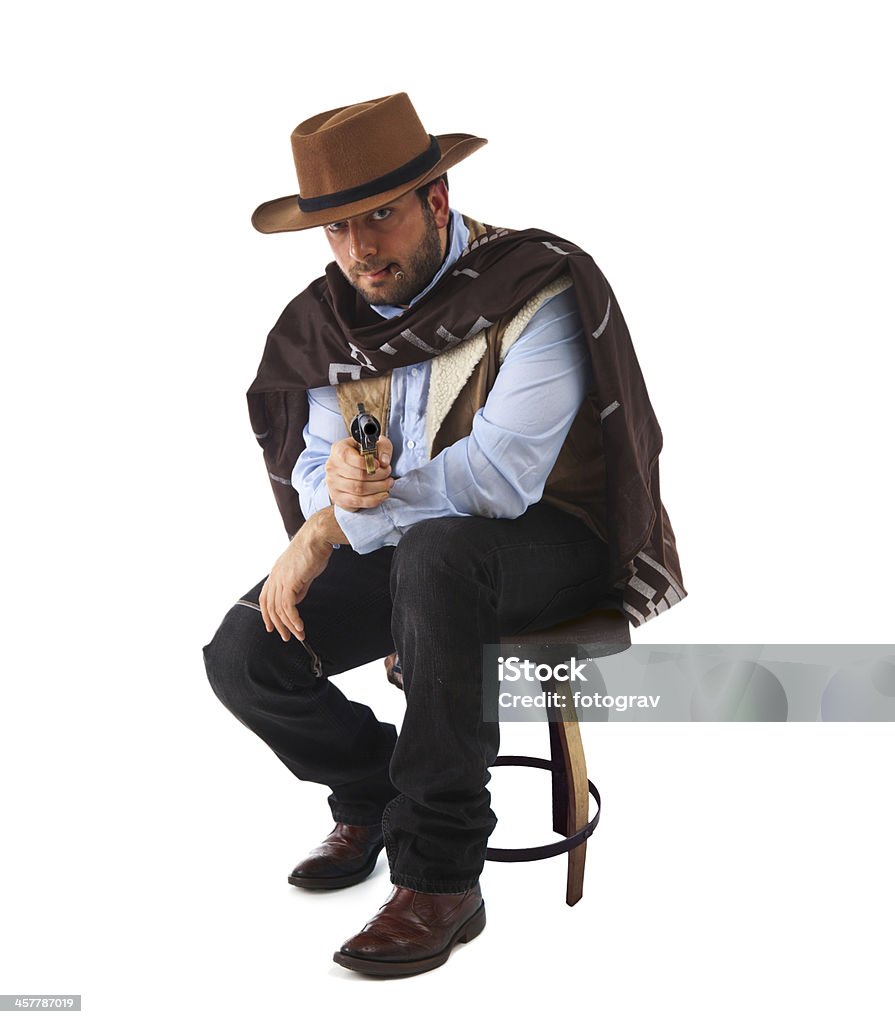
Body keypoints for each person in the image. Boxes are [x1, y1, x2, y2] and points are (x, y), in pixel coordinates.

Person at [202, 92, 686, 978]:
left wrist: (331, 528)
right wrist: (333, 491)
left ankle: (440, 874)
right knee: (245, 652)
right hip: (414, 549)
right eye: (337, 229)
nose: (360, 250)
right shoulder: (328, 321)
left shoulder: (535, 287)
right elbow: (315, 461)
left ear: (435, 199)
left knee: (439, 552)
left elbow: (499, 482)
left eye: (379, 216)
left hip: (552, 539)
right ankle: (372, 790)